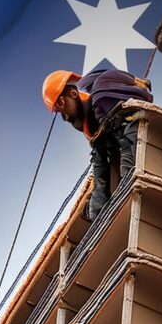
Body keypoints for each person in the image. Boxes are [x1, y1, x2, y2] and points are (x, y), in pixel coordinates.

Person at [42, 68, 153, 220]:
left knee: (127, 151)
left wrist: (127, 181)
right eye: (58, 111)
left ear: (73, 94)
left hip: (140, 134)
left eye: (61, 104)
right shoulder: (90, 123)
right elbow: (100, 158)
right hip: (123, 138)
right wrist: (98, 201)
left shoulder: (102, 96)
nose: (65, 117)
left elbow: (130, 134)